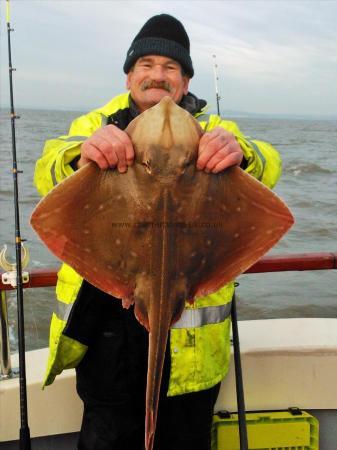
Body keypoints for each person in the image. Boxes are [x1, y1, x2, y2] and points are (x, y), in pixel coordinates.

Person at [34, 13, 281, 450]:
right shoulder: (96, 124)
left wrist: (240, 153)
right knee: (106, 437)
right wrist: (81, 155)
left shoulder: (215, 130)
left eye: (171, 68)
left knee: (185, 438)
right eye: (146, 64)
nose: (157, 76)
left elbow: (267, 164)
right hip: (106, 328)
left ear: (185, 83)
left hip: (190, 340)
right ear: (130, 76)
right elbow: (49, 165)